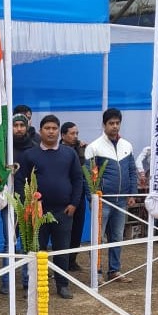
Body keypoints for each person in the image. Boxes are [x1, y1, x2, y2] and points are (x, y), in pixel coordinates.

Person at [15, 114, 83, 299]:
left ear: (58, 131)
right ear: (40, 131)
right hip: (37, 212)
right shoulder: (29, 154)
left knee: (62, 250)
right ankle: (36, 286)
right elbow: (20, 181)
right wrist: (28, 205)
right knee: (37, 250)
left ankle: (62, 285)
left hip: (63, 211)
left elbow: (78, 179)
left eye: (54, 128)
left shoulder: (69, 154)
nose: (51, 132)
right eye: (47, 128)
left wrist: (74, 204)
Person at [85, 107, 137, 283]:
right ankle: (96, 272)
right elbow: (88, 177)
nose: (114, 126)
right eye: (111, 123)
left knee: (117, 237)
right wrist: (92, 199)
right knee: (98, 238)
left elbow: (132, 171)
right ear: (104, 125)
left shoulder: (127, 145)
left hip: (121, 201)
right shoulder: (94, 147)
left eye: (117, 123)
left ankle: (114, 271)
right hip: (103, 201)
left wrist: (132, 194)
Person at [0, 112, 38, 294]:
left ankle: (27, 280)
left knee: (27, 242)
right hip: (10, 202)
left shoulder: (34, 149)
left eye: (22, 125)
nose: (19, 129)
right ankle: (7, 282)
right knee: (9, 243)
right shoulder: (5, 150)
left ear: (27, 126)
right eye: (15, 126)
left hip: (29, 201)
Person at [60, 121, 88, 271]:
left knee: (77, 229)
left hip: (79, 195)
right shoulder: (57, 150)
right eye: (72, 133)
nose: (75, 136)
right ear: (63, 135)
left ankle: (72, 261)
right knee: (63, 231)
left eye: (76, 133)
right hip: (64, 196)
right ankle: (62, 262)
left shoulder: (81, 149)